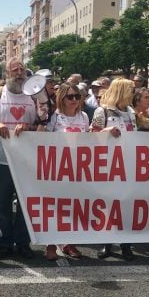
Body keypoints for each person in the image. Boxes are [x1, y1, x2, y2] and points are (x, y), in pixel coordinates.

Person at [0, 58, 38, 259]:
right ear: (6, 73)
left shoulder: (34, 96)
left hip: (27, 160)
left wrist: (29, 127)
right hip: (2, 159)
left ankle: (23, 242)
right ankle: (5, 240)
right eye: (15, 69)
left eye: (22, 69)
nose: (20, 72)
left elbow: (41, 125)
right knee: (2, 204)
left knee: (25, 203)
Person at [91, 78, 149, 260]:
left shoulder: (131, 112)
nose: (133, 93)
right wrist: (106, 131)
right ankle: (106, 243)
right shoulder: (103, 111)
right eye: (131, 90)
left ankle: (125, 244)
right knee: (108, 205)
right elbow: (91, 137)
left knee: (126, 205)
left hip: (128, 165)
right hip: (108, 165)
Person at [40, 82, 90, 260]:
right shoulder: (55, 116)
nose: (75, 100)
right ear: (62, 98)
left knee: (73, 208)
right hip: (57, 169)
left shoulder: (84, 116)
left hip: (78, 170)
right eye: (70, 97)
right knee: (54, 207)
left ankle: (68, 242)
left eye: (77, 96)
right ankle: (51, 244)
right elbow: (43, 140)